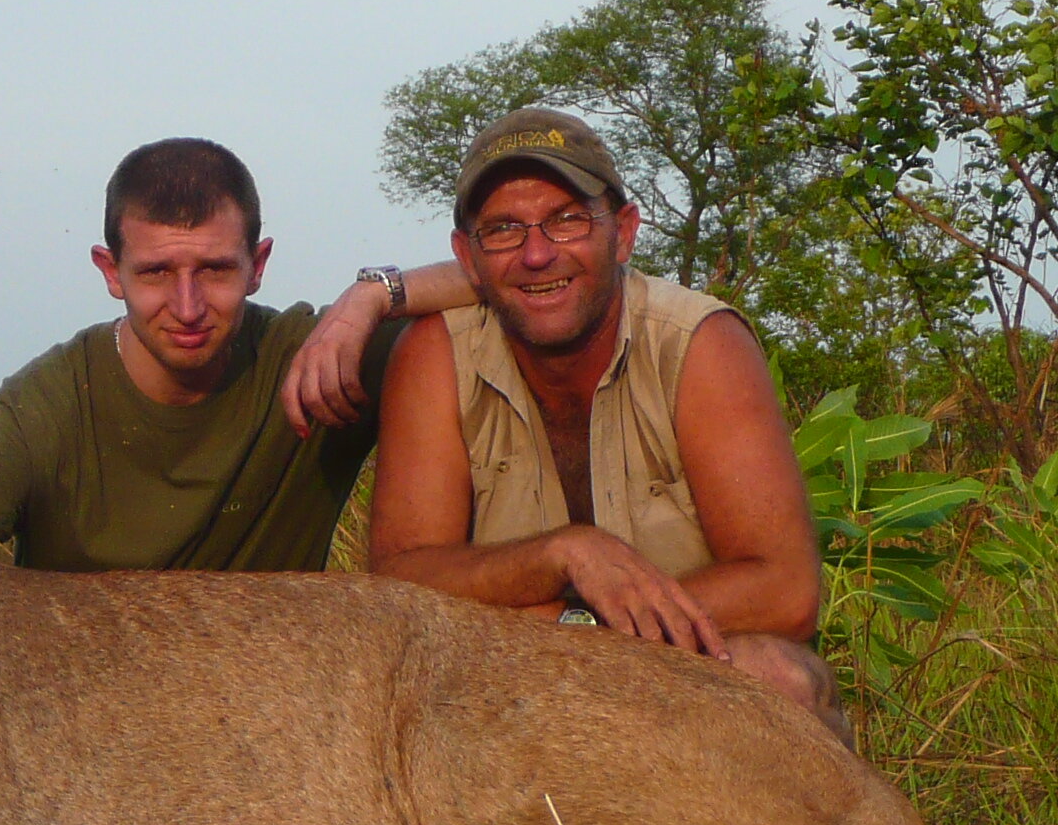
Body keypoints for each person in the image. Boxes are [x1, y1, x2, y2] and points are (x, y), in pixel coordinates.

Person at [358, 107, 841, 727]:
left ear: (625, 230)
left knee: (778, 677)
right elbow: (399, 579)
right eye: (504, 230)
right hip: (513, 680)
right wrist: (563, 556)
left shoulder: (699, 342)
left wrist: (575, 627)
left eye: (566, 221)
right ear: (467, 256)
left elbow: (785, 593)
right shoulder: (434, 354)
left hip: (681, 667)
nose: (537, 255)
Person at [0, 137, 471, 571]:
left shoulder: (316, 355)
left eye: (214, 270)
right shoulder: (40, 407)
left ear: (257, 265)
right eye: (156, 272)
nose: (187, 308)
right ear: (109, 271)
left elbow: (518, 274)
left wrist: (373, 295)